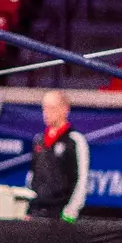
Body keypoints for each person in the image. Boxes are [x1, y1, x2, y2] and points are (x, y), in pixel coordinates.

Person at [27, 90, 89, 221]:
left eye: (51, 108)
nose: (46, 113)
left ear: (65, 109)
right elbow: (32, 176)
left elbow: (82, 179)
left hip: (62, 213)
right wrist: (28, 208)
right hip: (37, 212)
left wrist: (70, 212)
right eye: (44, 108)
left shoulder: (74, 140)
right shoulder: (39, 140)